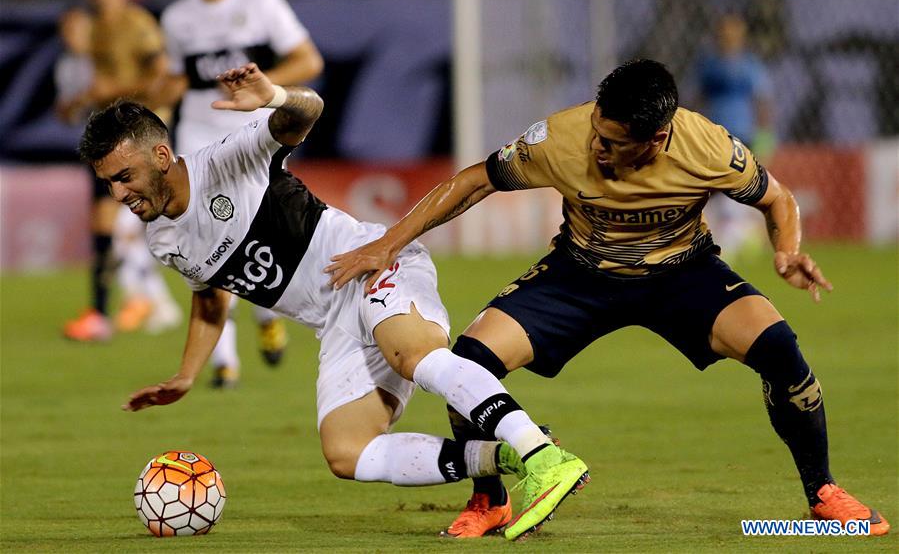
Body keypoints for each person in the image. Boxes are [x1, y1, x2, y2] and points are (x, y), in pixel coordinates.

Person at [326, 59, 890, 537]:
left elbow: (779, 200)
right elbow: (474, 180)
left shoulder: (710, 148)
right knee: (468, 362)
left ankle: (822, 495)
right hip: (579, 275)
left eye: (613, 142)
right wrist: (386, 243)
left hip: (681, 274)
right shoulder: (559, 138)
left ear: (658, 138)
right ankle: (489, 500)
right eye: (597, 128)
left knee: (782, 351)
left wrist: (786, 251)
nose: (597, 145)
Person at [82, 62, 589, 541]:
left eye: (123, 176)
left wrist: (275, 96)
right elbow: (211, 296)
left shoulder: (227, 160)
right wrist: (187, 375)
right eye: (108, 182)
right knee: (348, 454)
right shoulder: (162, 241)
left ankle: (542, 456)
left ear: (161, 157)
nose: (117, 192)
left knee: (413, 357)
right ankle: (501, 461)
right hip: (334, 322)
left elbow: (306, 111)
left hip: (368, 264)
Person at [154, 0, 326, 384]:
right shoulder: (177, 18)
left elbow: (308, 60)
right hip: (197, 137)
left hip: (253, 133)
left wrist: (262, 86)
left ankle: (266, 310)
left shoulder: (263, 3)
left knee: (259, 229)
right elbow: (176, 80)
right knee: (204, 237)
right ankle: (224, 361)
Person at [63, 0, 175, 341]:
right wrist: (77, 102)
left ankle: (133, 305)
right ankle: (111, 309)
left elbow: (158, 76)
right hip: (107, 136)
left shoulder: (137, 24)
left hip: (140, 134)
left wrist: (108, 93)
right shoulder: (94, 29)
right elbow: (98, 84)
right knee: (108, 225)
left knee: (128, 225)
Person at [696, 14, 776, 259]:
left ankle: (737, 237)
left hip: (743, 134)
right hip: (713, 135)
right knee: (711, 189)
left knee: (737, 186)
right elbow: (698, 99)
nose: (728, 38)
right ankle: (729, 237)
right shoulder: (708, 65)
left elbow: (762, 102)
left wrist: (764, 136)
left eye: (734, 34)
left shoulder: (751, 66)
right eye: (724, 33)